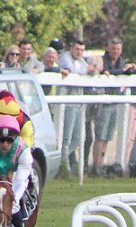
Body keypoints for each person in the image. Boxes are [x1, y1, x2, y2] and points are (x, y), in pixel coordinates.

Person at [92, 38, 135, 177]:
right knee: (100, 135)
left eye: (118, 49)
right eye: (113, 48)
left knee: (108, 136)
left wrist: (128, 69)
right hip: (104, 102)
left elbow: (121, 73)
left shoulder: (121, 61)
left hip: (115, 102)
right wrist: (121, 70)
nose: (116, 51)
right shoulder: (102, 60)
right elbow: (105, 71)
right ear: (109, 49)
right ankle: (96, 165)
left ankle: (101, 164)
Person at [58, 40, 97, 172]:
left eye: (81, 50)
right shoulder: (65, 57)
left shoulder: (81, 61)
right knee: (66, 138)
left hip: (79, 103)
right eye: (77, 49)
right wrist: (86, 70)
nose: (79, 52)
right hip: (67, 104)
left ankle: (59, 160)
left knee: (79, 137)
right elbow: (73, 70)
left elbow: (91, 71)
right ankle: (64, 169)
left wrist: (91, 70)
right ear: (71, 48)